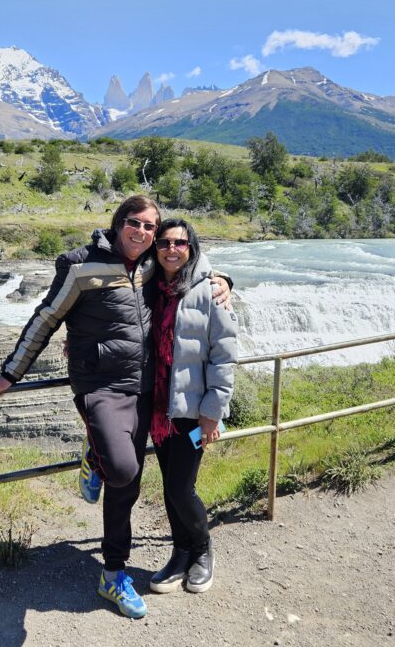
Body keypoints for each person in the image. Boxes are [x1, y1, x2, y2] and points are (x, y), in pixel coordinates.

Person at [0, 196, 229, 619]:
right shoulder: (79, 265)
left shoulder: (151, 263)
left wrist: (224, 281)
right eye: (135, 223)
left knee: (126, 487)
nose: (143, 232)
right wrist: (11, 373)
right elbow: (46, 318)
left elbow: (191, 267)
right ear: (117, 223)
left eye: (150, 227)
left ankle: (113, 574)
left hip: (147, 389)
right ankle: (96, 453)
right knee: (124, 470)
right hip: (101, 385)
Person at [147, 219, 237, 596]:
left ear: (191, 247)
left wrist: (212, 412)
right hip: (158, 409)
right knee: (171, 487)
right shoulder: (149, 286)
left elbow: (224, 355)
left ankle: (201, 550)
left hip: (193, 410)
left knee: (181, 488)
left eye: (180, 243)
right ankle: (180, 553)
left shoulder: (211, 291)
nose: (171, 249)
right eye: (164, 242)